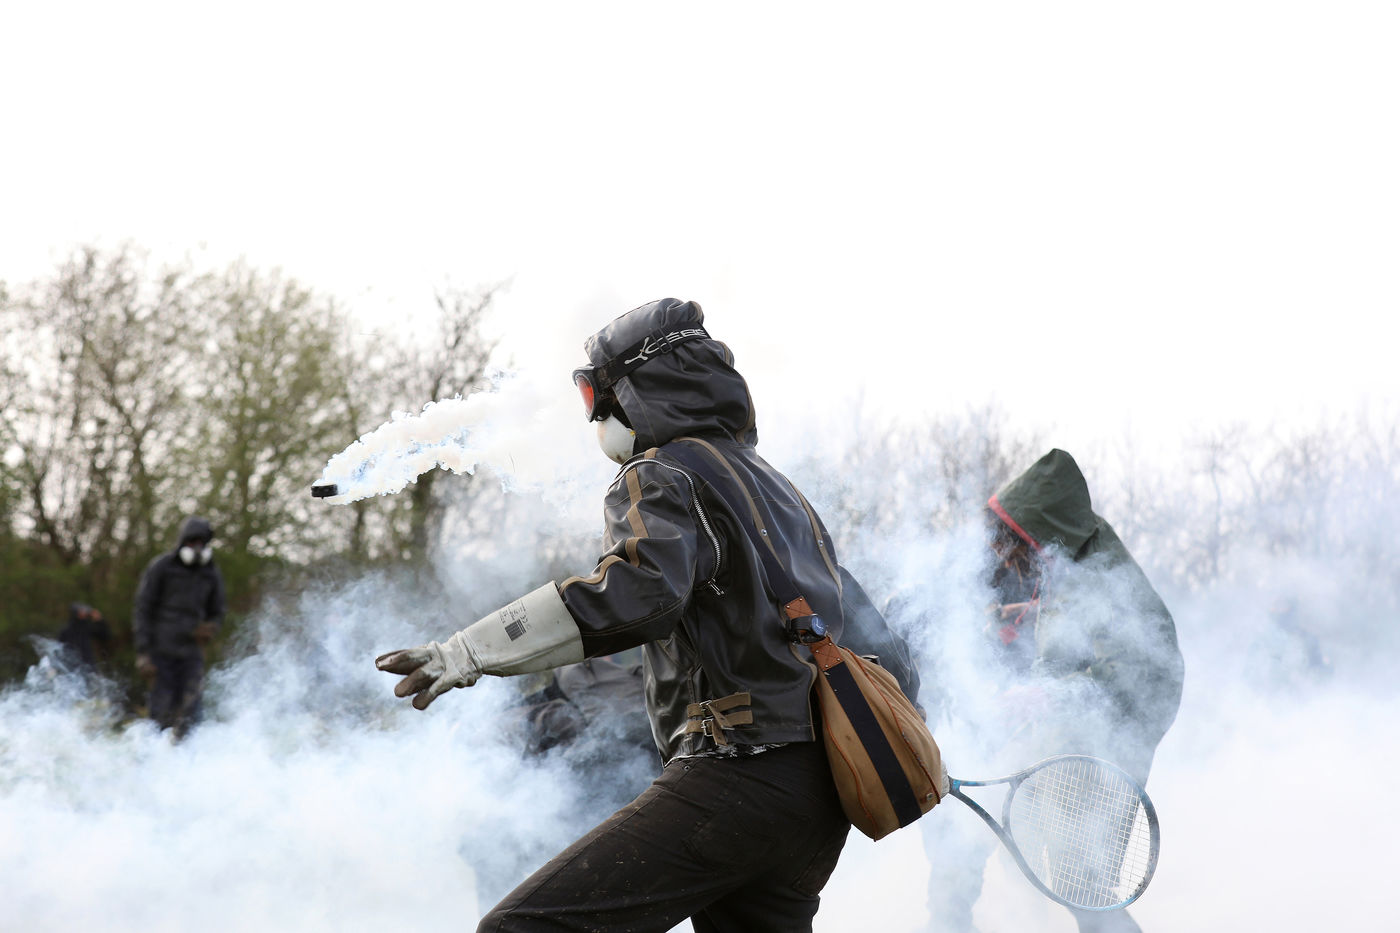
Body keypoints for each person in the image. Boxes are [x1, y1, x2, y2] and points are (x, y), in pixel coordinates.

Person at [376, 298, 921, 932]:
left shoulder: (660, 474)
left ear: (637, 392)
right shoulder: (779, 489)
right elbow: (886, 650)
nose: (594, 417)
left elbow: (641, 594)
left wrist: (467, 652)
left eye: (594, 397)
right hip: (820, 794)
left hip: (739, 771)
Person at [911, 449, 1184, 933]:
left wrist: (1051, 695)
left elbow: (1148, 672)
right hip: (1060, 739)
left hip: (1101, 749)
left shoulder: (1102, 575)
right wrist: (1027, 621)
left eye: (1014, 543)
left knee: (1083, 881)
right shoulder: (1068, 564)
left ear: (1040, 531)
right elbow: (1076, 642)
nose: (1007, 556)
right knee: (969, 839)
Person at [132, 516, 226, 736]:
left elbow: (218, 610)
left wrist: (211, 627)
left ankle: (188, 753)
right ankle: (155, 751)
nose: (197, 547)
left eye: (202, 542)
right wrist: (143, 652)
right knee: (161, 710)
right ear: (183, 541)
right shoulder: (161, 567)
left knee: (192, 711)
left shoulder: (211, 573)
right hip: (161, 650)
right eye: (193, 542)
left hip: (192, 652)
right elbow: (143, 609)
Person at [57, 601, 113, 673]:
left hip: (89, 666)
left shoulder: (88, 627)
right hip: (72, 667)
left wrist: (99, 620)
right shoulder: (66, 630)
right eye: (82, 610)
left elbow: (106, 636)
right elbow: (59, 648)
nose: (84, 612)